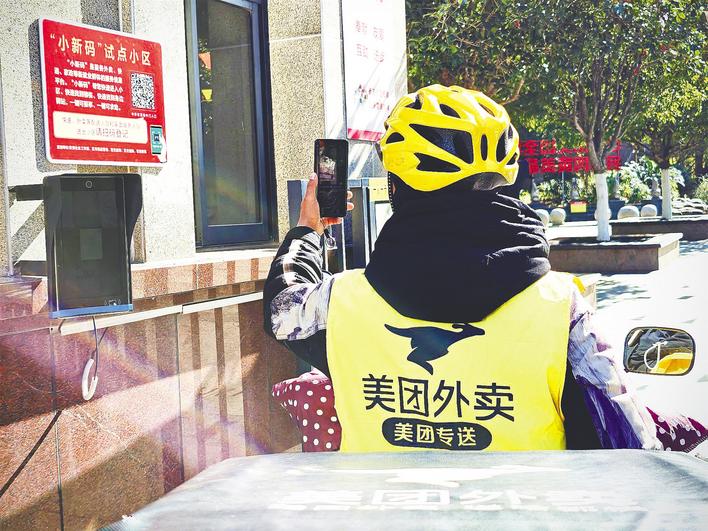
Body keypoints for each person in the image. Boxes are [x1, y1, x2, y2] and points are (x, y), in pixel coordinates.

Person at [264, 84, 664, 452]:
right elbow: (630, 443)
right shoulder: (561, 308)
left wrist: (308, 231)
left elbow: (282, 308)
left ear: (396, 186)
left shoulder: (342, 303)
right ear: (500, 182)